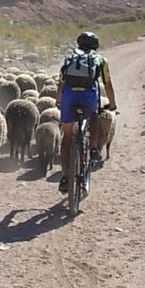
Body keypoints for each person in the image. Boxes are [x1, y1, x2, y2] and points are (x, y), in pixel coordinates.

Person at [56, 31, 117, 193]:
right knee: (95, 114)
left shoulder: (70, 58)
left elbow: (61, 83)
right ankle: (94, 148)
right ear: (95, 45)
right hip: (88, 96)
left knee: (67, 138)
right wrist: (112, 105)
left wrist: (58, 101)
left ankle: (64, 176)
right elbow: (108, 85)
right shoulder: (100, 60)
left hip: (69, 97)